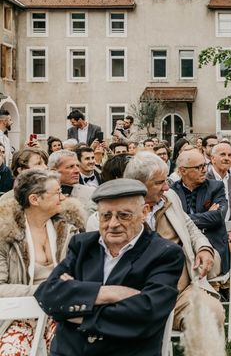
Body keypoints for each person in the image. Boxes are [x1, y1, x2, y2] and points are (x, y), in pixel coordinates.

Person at [34, 179, 184, 356]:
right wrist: (109, 293)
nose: (113, 224)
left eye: (124, 215)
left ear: (144, 212)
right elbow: (48, 294)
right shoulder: (82, 244)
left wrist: (76, 307)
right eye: (106, 216)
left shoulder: (164, 253)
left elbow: (147, 313)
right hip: (70, 351)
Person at [86, 152, 225, 331]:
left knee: (211, 314)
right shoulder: (106, 220)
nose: (167, 187)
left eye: (166, 180)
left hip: (180, 293)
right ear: (139, 185)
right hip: (133, 298)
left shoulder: (170, 198)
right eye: (159, 183)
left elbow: (190, 227)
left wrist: (204, 248)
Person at [0, 169, 85, 353]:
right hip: (19, 315)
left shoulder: (70, 229)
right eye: (57, 193)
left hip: (64, 312)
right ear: (35, 200)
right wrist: (45, 290)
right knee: (11, 350)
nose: (63, 197)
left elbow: (84, 275)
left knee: (71, 347)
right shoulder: (5, 234)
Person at [171, 149, 230, 274]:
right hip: (182, 247)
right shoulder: (172, 192)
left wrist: (182, 219)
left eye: (205, 165)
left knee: (196, 268)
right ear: (183, 170)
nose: (204, 170)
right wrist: (207, 215)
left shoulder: (216, 187)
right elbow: (169, 221)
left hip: (213, 246)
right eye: (199, 167)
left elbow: (218, 216)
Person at [48, 150, 95, 216]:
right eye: (71, 167)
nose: (77, 170)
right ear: (54, 171)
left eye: (77, 166)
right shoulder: (44, 196)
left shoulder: (91, 193)